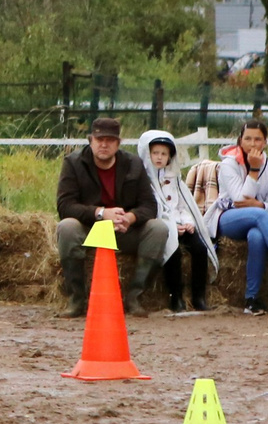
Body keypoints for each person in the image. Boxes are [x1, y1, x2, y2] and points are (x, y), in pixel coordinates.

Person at [55, 115, 168, 316]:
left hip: (123, 230)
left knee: (158, 229)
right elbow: (65, 206)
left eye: (110, 140)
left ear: (118, 143)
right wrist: (101, 213)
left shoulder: (133, 163)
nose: (104, 145)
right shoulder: (73, 163)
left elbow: (149, 205)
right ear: (91, 140)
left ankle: (134, 297)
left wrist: (130, 218)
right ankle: (76, 299)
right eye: (99, 140)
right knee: (67, 227)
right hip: (89, 227)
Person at [206, 118, 268, 315]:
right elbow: (240, 199)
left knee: (257, 236)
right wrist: (253, 169)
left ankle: (251, 299)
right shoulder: (229, 165)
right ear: (240, 141)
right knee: (259, 215)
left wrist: (259, 205)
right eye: (248, 139)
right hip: (227, 218)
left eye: (258, 139)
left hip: (259, 221)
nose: (253, 144)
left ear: (265, 142)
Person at [141, 129, 215, 314]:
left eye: (164, 154)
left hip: (182, 223)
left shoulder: (174, 179)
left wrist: (188, 222)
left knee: (199, 247)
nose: (159, 157)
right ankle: (176, 297)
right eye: (155, 153)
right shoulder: (143, 181)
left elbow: (184, 205)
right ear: (147, 154)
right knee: (172, 250)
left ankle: (199, 296)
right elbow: (152, 209)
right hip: (164, 226)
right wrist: (173, 226)